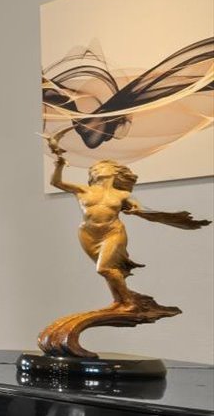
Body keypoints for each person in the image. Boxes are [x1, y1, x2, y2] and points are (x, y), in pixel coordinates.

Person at [45, 132, 208, 308]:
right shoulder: (83, 190)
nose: (95, 170)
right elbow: (56, 183)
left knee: (103, 268)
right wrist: (59, 164)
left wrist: (138, 211)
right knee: (110, 271)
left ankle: (129, 302)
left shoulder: (122, 194)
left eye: (100, 167)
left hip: (112, 232)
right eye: (93, 170)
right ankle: (118, 301)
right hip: (88, 234)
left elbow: (137, 207)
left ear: (114, 172)